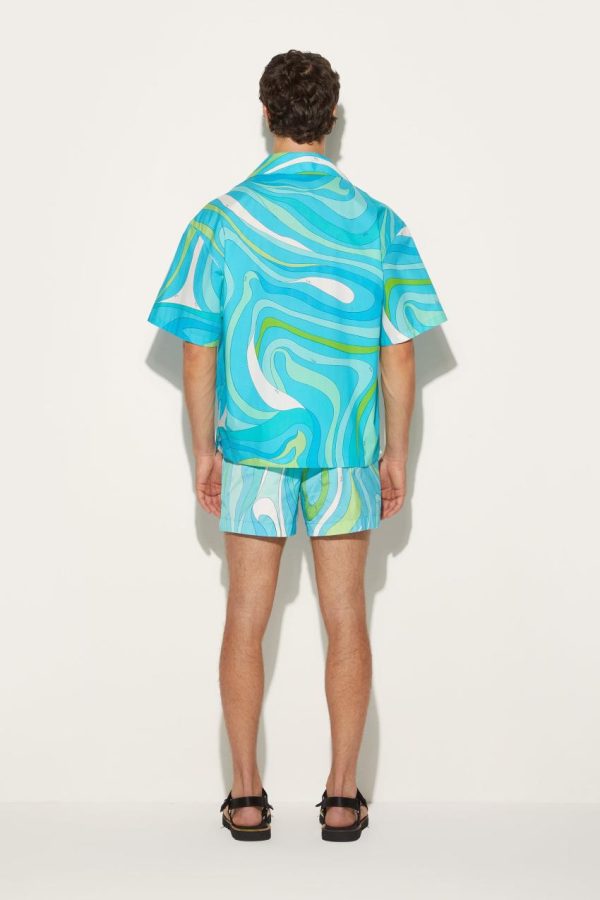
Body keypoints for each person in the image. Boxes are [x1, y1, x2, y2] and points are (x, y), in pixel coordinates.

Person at [147, 49, 448, 842]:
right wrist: (395, 455)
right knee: (347, 618)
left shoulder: (220, 221)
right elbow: (400, 354)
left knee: (245, 616)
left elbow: (199, 350)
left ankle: (246, 796)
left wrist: (204, 449)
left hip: (252, 446)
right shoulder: (379, 223)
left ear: (266, 114)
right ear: (332, 119)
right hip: (346, 448)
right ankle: (343, 798)